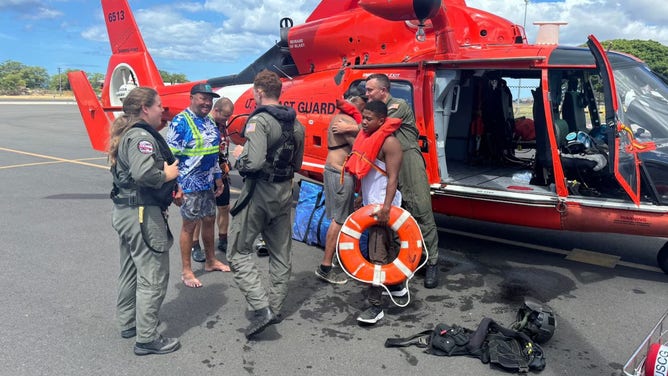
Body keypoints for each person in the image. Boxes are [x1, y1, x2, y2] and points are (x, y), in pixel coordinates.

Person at [227, 70, 305, 339]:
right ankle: (276, 306)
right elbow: (297, 164)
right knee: (281, 253)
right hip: (284, 191)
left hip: (259, 191)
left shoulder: (259, 121)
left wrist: (238, 157)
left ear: (259, 91)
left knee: (237, 252)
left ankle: (262, 309)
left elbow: (254, 161)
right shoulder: (296, 124)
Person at [108, 87, 181, 355]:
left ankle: (129, 323)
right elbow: (143, 173)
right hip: (141, 214)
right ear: (145, 109)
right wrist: (168, 174)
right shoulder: (140, 136)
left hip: (125, 211)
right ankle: (147, 338)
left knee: (130, 269)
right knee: (153, 274)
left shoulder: (126, 134)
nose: (163, 109)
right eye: (159, 105)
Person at [364, 73, 440, 288]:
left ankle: (432, 262)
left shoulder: (399, 106)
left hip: (408, 162)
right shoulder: (374, 109)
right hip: (388, 164)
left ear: (383, 90)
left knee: (421, 211)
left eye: (370, 90)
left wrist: (351, 127)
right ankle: (406, 260)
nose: (367, 94)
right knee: (397, 214)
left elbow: (378, 125)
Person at [344, 100, 403, 324]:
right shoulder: (368, 139)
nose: (364, 122)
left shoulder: (390, 143)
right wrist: (361, 198)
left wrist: (386, 207)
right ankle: (397, 286)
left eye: (369, 119)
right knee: (385, 248)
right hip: (371, 203)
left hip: (383, 207)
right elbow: (368, 175)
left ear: (381, 120)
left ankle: (375, 306)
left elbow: (393, 178)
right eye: (363, 118)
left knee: (376, 254)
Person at [167, 83, 230, 288]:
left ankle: (211, 260)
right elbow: (170, 159)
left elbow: (213, 153)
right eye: (203, 98)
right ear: (192, 98)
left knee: (210, 219)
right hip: (188, 183)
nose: (207, 103)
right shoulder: (180, 122)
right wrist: (175, 186)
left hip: (207, 182)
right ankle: (186, 270)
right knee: (189, 226)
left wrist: (218, 178)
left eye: (209, 99)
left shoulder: (210, 122)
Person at [316, 95, 365, 284]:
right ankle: (325, 267)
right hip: (340, 174)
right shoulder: (347, 120)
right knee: (339, 218)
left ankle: (333, 260)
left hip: (332, 170)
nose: (364, 112)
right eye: (363, 106)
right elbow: (360, 145)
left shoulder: (340, 118)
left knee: (338, 217)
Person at [190, 97, 235, 261]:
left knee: (224, 207)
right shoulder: (204, 125)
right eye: (225, 116)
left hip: (222, 175)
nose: (226, 120)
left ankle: (223, 240)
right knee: (201, 214)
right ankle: (195, 245)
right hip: (205, 176)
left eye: (229, 117)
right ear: (215, 111)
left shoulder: (223, 126)